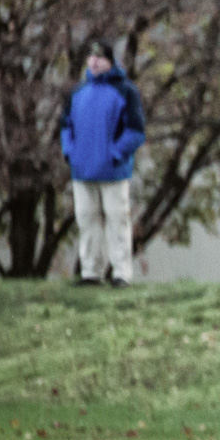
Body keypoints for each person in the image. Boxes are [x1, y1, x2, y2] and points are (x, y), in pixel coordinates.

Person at [60, 40, 145, 286]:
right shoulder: (78, 93)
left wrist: (115, 154)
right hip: (82, 171)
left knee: (117, 220)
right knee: (87, 221)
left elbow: (136, 131)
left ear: (110, 61)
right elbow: (66, 127)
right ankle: (91, 272)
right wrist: (70, 153)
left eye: (99, 57)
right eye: (90, 56)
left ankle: (121, 273)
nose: (94, 61)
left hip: (113, 172)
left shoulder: (126, 91)